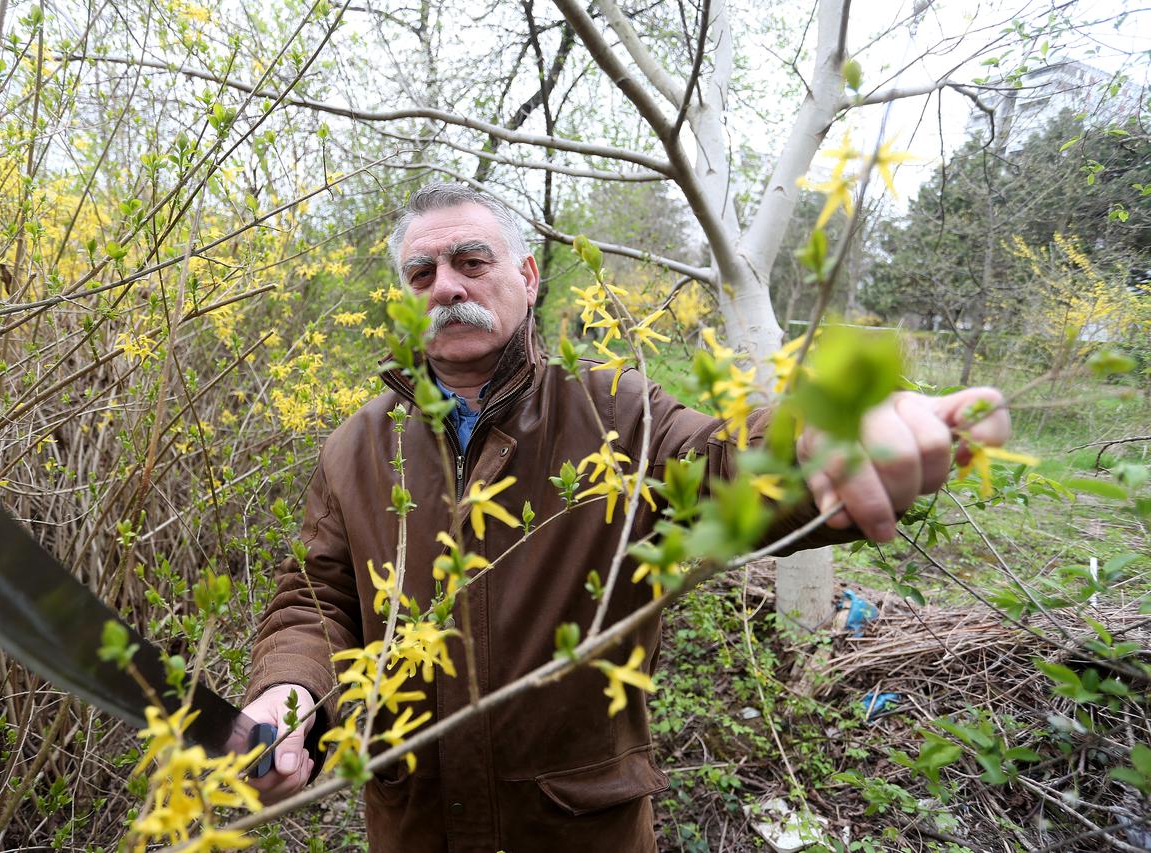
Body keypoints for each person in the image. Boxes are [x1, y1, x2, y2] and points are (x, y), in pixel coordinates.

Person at [242, 182, 1010, 851]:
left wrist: (822, 437)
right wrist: (290, 691)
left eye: (471, 261)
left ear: (528, 274)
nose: (445, 286)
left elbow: (722, 461)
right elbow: (316, 596)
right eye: (422, 272)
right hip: (415, 827)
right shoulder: (358, 443)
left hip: (575, 830)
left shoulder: (615, 407)